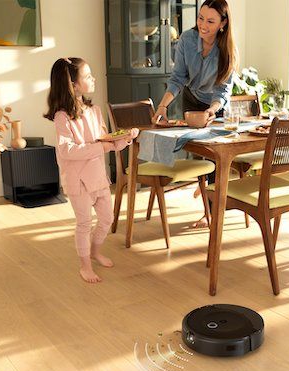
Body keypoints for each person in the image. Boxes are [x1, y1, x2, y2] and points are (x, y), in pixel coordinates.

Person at [44, 57, 138, 283]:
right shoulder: (62, 117)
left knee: (107, 217)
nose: (93, 78)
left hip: (98, 177)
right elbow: (67, 151)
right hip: (78, 181)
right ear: (73, 85)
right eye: (87, 76)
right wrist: (102, 146)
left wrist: (126, 139)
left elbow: (107, 142)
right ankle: (85, 265)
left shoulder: (94, 111)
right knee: (84, 223)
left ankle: (95, 251)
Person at [151, 0, 237, 228]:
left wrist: (212, 109)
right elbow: (178, 77)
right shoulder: (187, 40)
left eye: (210, 21)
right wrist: (162, 106)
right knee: (197, 150)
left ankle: (210, 212)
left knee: (216, 155)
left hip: (215, 104)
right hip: (192, 97)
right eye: (200, 18)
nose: (203, 25)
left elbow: (223, 90)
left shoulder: (227, 50)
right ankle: (207, 189)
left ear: (223, 24)